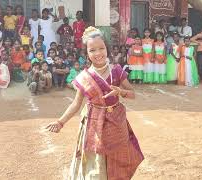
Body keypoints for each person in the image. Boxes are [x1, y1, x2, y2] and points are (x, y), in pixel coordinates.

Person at [45, 26, 143, 179]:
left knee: (119, 158)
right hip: (94, 124)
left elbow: (132, 94)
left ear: (107, 49)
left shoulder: (116, 70)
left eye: (101, 48)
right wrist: (60, 122)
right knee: (95, 161)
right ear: (86, 54)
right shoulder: (84, 76)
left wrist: (121, 92)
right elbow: (76, 104)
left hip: (116, 122)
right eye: (92, 50)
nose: (98, 53)